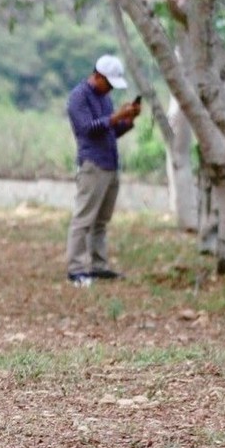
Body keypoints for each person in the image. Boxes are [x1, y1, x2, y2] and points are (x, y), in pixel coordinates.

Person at [64, 53, 141, 286]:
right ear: (97, 76)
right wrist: (116, 116)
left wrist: (127, 120)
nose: (110, 89)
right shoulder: (78, 97)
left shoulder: (105, 98)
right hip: (92, 164)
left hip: (109, 163)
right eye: (108, 83)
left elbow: (110, 131)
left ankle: (98, 266)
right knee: (84, 218)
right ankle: (76, 269)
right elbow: (88, 129)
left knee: (101, 221)